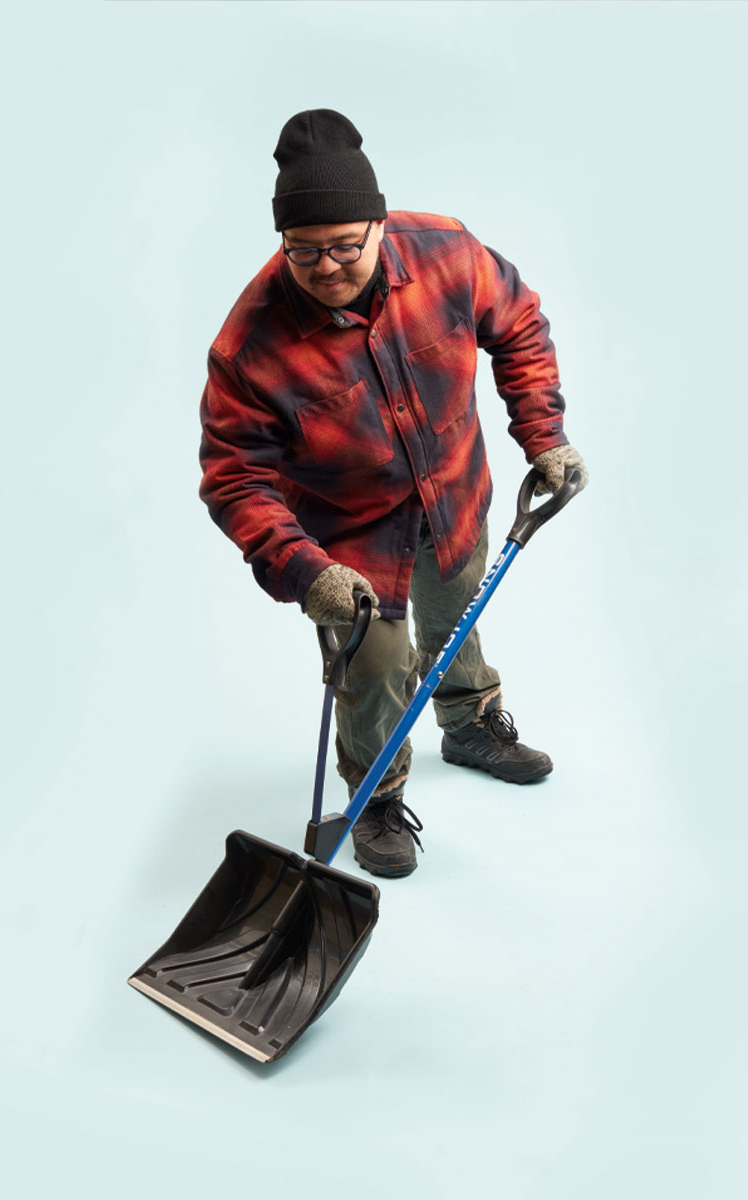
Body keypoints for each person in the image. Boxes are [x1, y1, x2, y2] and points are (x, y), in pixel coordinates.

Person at [199, 109, 587, 880]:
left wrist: (541, 434)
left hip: (455, 494)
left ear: (381, 224)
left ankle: (469, 722)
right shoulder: (251, 345)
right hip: (350, 544)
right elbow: (233, 475)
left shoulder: (446, 251)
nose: (326, 264)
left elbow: (518, 323)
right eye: (303, 251)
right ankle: (377, 791)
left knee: (458, 609)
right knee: (372, 671)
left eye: (346, 244)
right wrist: (307, 573)